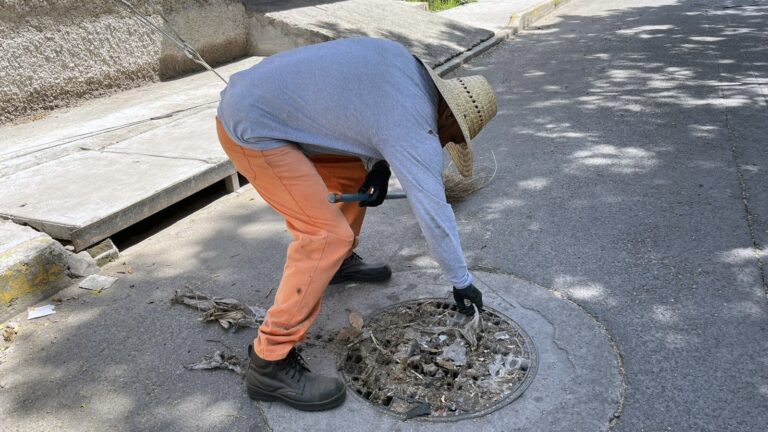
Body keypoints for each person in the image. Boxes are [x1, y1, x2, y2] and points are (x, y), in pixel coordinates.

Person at [216, 37, 497, 411]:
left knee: (351, 178)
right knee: (323, 235)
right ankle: (270, 361)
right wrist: (462, 281)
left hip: (263, 101)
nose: (446, 142)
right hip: (252, 127)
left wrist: (376, 165)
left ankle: (338, 263)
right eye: (453, 135)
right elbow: (434, 213)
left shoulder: (405, 67)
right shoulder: (414, 125)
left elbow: (355, 109)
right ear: (448, 115)